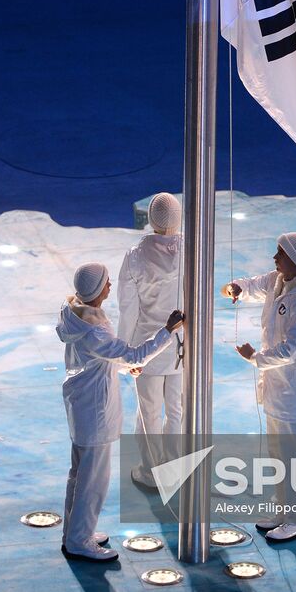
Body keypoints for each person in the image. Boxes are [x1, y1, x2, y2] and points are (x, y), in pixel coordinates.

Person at [57, 261, 183, 562]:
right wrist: (168, 330)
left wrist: (126, 368)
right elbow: (133, 352)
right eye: (107, 282)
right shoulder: (94, 331)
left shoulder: (75, 318)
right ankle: (80, 541)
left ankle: (75, 532)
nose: (111, 286)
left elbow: (104, 359)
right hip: (95, 411)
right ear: (97, 289)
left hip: (81, 404)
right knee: (93, 480)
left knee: (79, 474)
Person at [221, 232, 296, 543]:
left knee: (294, 451)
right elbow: (256, 285)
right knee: (279, 450)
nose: (274, 257)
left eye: (279, 253)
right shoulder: (281, 279)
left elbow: (292, 347)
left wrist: (255, 357)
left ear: (294, 259)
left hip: (292, 383)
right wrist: (237, 286)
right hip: (276, 384)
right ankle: (285, 511)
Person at [117, 192, 183, 488]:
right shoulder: (190, 250)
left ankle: (150, 471)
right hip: (184, 345)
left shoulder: (135, 256)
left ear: (151, 219)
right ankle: (175, 468)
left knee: (149, 412)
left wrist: (123, 353)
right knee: (177, 410)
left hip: (148, 346)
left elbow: (128, 309)